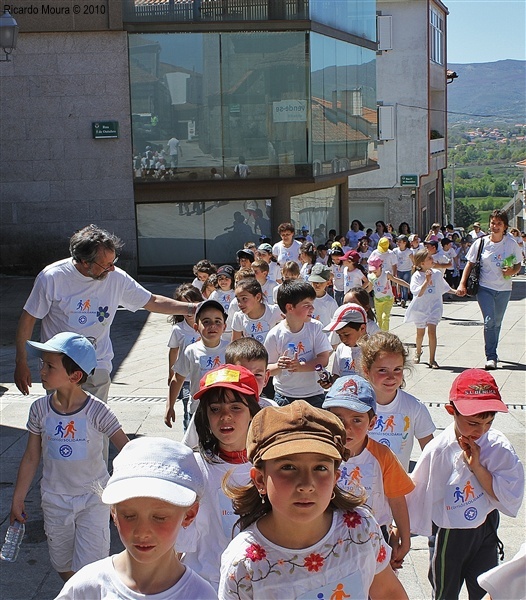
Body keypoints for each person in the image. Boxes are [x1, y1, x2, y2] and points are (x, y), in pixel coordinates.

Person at [219, 401, 409, 599]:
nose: (306, 484)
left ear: (335, 478)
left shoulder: (361, 528)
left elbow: (389, 592)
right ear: (260, 480)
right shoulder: (244, 563)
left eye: (320, 468)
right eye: (288, 467)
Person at [15, 225, 200, 404]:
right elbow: (28, 318)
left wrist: (191, 308)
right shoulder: (52, 277)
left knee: (95, 425)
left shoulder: (116, 278)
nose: (111, 268)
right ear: (84, 262)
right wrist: (21, 362)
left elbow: (152, 301)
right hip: (59, 365)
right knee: (60, 422)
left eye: (114, 262)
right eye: (106, 265)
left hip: (97, 363)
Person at [10, 332, 129, 582]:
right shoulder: (39, 410)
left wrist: (123, 494)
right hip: (55, 500)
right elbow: (32, 457)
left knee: (92, 567)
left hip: (93, 499)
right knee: (62, 564)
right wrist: (18, 498)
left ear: (74, 376)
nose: (41, 371)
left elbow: (127, 451)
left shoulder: (98, 411)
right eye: (42, 363)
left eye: (50, 366)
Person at [407, 369, 524, 600]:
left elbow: (507, 497)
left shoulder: (497, 445)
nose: (480, 431)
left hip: (486, 526)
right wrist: (400, 530)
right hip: (450, 531)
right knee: (445, 591)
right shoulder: (439, 450)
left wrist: (478, 468)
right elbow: (418, 491)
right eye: (472, 423)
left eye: (489, 422)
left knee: (488, 588)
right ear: (452, 411)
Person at [56, 437, 216, 599]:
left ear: (189, 515)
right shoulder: (87, 588)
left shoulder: (201, 595)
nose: (142, 532)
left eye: (159, 517)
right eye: (129, 516)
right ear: (114, 513)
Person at [176, 365, 261, 590]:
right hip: (204, 582)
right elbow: (178, 539)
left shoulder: (271, 467)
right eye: (215, 409)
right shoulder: (192, 467)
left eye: (236, 407)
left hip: (259, 581)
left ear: (252, 411)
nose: (225, 416)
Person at [323, 375, 414, 570]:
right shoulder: (320, 454)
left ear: (371, 423)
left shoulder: (382, 455)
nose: (347, 428)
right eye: (338, 419)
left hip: (375, 534)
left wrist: (405, 539)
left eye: (357, 420)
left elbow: (397, 499)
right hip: (329, 535)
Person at [360, 332, 436, 471]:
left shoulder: (414, 407)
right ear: (366, 370)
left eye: (397, 369)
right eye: (382, 370)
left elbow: (431, 453)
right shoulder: (354, 406)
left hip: (396, 491)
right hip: (359, 489)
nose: (391, 377)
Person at [458, 210, 522, 370]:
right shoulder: (481, 243)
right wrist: (462, 284)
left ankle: (493, 350)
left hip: (504, 289)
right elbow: (469, 264)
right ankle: (491, 356)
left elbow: (518, 264)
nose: (495, 226)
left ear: (505, 226)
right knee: (489, 322)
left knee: (497, 322)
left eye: (499, 224)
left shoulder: (511, 243)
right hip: (484, 288)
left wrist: (511, 271)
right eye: (493, 223)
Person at [265, 280, 332, 408]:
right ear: (290, 307)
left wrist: (301, 366)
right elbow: (266, 369)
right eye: (307, 305)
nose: (312, 308)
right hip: (284, 396)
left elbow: (324, 359)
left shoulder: (315, 327)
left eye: (312, 304)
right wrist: (279, 366)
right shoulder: (275, 334)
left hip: (314, 394)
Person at [165, 299, 230, 429]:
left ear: (224, 327)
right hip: (197, 411)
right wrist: (169, 406)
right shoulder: (191, 351)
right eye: (206, 322)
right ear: (196, 327)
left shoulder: (231, 350)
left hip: (224, 411)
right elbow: (178, 378)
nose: (212, 325)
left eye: (218, 321)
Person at [405, 249, 461, 368]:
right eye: (429, 258)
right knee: (420, 333)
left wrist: (456, 292)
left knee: (432, 331)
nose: (432, 259)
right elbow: (418, 293)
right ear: (422, 263)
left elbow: (444, 287)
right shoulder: (416, 276)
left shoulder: (437, 273)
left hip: (434, 306)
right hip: (421, 308)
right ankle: (418, 351)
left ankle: (432, 359)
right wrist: (426, 280)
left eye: (431, 257)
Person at [167, 284, 203, 431]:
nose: (188, 311)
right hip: (186, 377)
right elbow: (173, 351)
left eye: (192, 305)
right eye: (183, 306)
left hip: (203, 374)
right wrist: (171, 373)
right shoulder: (178, 329)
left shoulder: (206, 325)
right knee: (189, 408)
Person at [322, 303, 368, 381]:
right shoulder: (341, 348)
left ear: (362, 328)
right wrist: (330, 381)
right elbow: (337, 376)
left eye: (346, 335)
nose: (343, 340)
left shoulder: (374, 350)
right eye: (339, 335)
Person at [231, 278, 282, 344]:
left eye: (244, 299)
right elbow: (234, 346)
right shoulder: (238, 317)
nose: (240, 304)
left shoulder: (275, 311)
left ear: (257, 297)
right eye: (238, 300)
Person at [367, 257, 409, 331]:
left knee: (385, 317)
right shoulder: (371, 277)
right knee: (379, 319)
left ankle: (386, 334)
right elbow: (370, 288)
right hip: (377, 300)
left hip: (388, 299)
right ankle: (380, 334)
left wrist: (408, 285)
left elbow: (396, 280)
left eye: (375, 268)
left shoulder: (386, 274)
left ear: (380, 266)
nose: (374, 271)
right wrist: (360, 294)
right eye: (372, 269)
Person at [308, 263, 338, 332]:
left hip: (324, 336)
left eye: (321, 282)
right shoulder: (304, 299)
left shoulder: (331, 302)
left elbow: (335, 322)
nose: (317, 285)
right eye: (315, 282)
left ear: (327, 283)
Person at [393, 235, 412, 307]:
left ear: (405, 243)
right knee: (399, 284)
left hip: (407, 270)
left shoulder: (409, 251)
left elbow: (413, 260)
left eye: (400, 242)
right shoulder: (395, 251)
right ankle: (400, 297)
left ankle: (404, 299)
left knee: (405, 285)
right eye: (397, 241)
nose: (398, 243)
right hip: (399, 270)